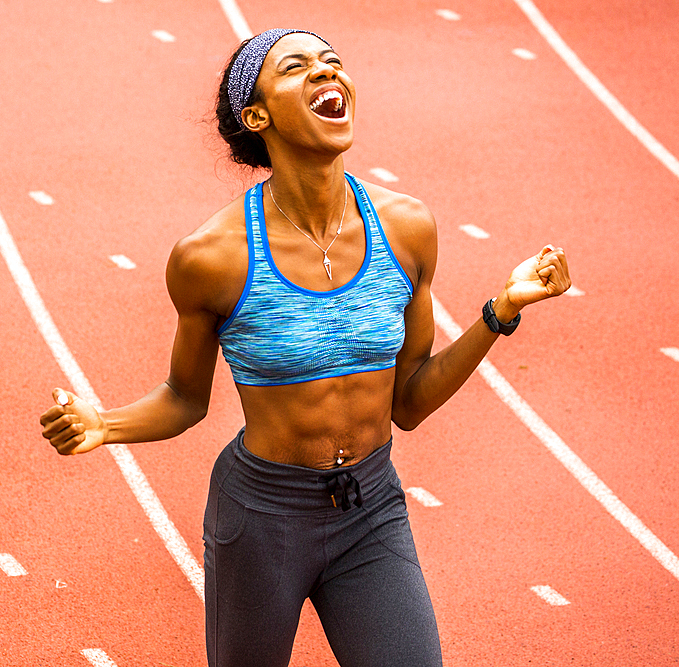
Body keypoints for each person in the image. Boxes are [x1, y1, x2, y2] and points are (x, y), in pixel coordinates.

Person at [40, 28, 570, 667]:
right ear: (256, 115)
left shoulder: (406, 229)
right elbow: (185, 398)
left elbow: (409, 401)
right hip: (263, 519)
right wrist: (106, 424)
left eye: (333, 63)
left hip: (371, 510)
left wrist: (499, 311)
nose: (326, 73)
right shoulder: (213, 257)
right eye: (297, 68)